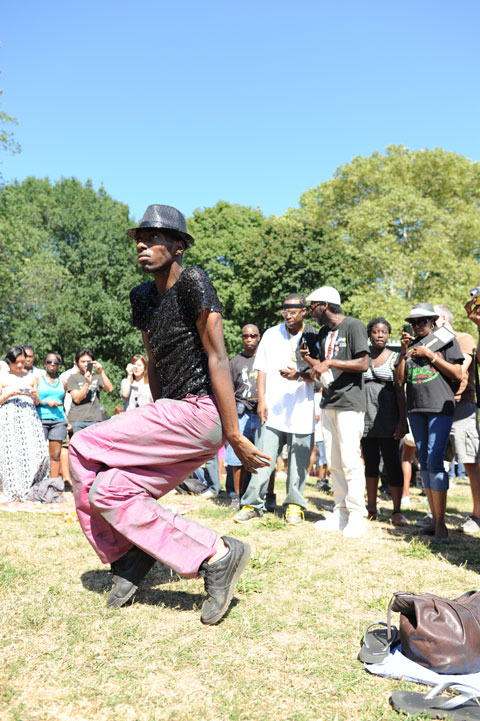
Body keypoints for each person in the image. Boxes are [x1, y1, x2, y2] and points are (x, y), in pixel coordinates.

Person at [68, 204, 269, 625]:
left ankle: (125, 555)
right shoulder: (142, 296)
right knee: (108, 491)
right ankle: (217, 555)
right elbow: (154, 361)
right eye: (139, 238)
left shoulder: (194, 281)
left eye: (154, 237)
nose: (142, 244)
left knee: (84, 443)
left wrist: (232, 434)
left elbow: (217, 358)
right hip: (173, 414)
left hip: (203, 412)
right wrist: (157, 412)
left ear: (178, 246)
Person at [234, 294, 316, 526]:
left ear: (303, 312)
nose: (288, 315)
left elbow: (320, 371)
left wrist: (299, 375)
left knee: (299, 462)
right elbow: (261, 369)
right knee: (263, 458)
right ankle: (252, 505)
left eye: (293, 311)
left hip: (302, 409)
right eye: (285, 311)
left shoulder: (312, 334)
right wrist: (262, 400)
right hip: (273, 409)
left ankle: (294, 506)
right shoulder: (271, 333)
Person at [302, 287, 370, 538]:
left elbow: (363, 363)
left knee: (351, 461)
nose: (311, 312)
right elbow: (322, 369)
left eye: (313, 307)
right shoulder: (323, 333)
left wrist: (329, 362)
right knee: (333, 462)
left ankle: (357, 515)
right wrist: (309, 362)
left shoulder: (353, 326)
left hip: (350, 403)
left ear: (325, 305)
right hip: (329, 402)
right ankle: (340, 512)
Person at [396, 302, 463, 543]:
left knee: (435, 460)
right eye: (413, 323)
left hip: (439, 408)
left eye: (421, 321)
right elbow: (400, 380)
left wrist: (430, 355)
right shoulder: (410, 347)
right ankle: (434, 520)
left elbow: (458, 374)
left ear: (433, 321)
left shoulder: (445, 340)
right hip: (416, 410)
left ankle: (442, 525)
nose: (417, 326)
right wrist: (405, 352)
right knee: (424, 462)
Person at [435, 302, 480, 534]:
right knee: (438, 463)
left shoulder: (464, 338)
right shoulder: (432, 343)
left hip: (463, 405)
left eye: (431, 319)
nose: (427, 325)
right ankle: (435, 514)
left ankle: (477, 516)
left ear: (443, 318)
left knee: (471, 461)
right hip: (438, 406)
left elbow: (460, 371)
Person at [361, 317, 407, 526]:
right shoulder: (362, 356)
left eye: (384, 332)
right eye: (376, 332)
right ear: (369, 334)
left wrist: (402, 420)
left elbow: (399, 389)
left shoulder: (396, 357)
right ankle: (371, 507)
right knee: (370, 462)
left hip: (388, 415)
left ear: (389, 335)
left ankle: (397, 511)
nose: (380, 335)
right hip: (365, 416)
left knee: (392, 463)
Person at [0, 346, 49, 501]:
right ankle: (14, 488)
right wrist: (7, 393)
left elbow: (37, 401)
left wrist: (35, 396)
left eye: (23, 362)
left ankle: (31, 487)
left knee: (38, 452)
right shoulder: (2, 376)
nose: (20, 365)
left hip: (29, 417)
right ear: (10, 362)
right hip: (9, 417)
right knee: (11, 453)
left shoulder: (32, 376)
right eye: (17, 362)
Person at [224, 324, 261, 511]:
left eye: (253, 335)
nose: (249, 339)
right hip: (242, 412)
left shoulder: (265, 359)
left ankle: (263, 496)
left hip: (261, 413)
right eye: (245, 336)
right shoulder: (234, 362)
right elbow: (229, 391)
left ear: (258, 337)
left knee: (261, 456)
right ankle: (236, 497)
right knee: (236, 457)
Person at [33, 352, 68, 483]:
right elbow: (34, 400)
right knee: (39, 454)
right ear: (44, 363)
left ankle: (53, 486)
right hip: (41, 419)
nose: (52, 364)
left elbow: (63, 404)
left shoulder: (63, 384)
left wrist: (66, 420)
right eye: (49, 361)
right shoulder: (37, 380)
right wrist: (45, 402)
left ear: (59, 365)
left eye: (56, 362)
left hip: (58, 420)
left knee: (56, 455)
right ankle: (36, 483)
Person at [67, 349, 113, 434]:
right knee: (78, 446)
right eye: (82, 361)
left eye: (88, 361)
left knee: (95, 447)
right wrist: (87, 383)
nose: (85, 364)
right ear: (77, 363)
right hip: (77, 420)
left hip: (95, 419)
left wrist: (101, 372)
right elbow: (77, 399)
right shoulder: (73, 378)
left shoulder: (97, 377)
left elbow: (110, 389)